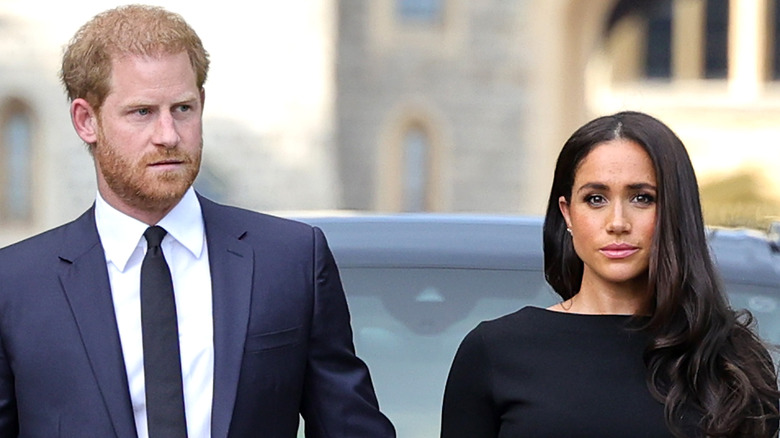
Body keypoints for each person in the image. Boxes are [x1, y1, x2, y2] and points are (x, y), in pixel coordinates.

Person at [0, 5, 395, 438]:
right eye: (142, 112)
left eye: (183, 108)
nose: (169, 134)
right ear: (86, 120)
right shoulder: (15, 285)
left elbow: (351, 428)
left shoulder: (289, 261)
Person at [440, 111, 779, 437]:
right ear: (567, 213)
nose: (617, 222)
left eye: (642, 198)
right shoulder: (494, 351)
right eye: (596, 198)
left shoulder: (732, 361)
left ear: (675, 211)